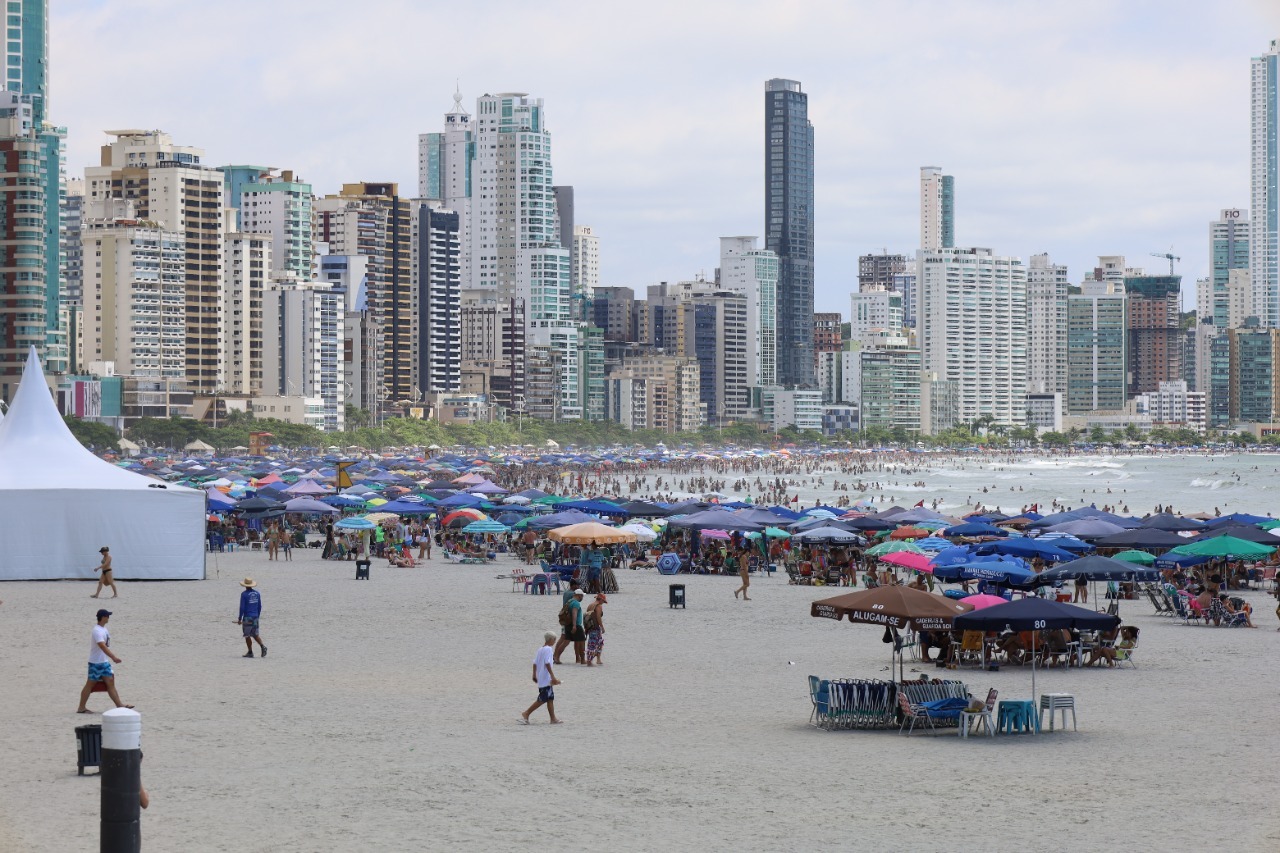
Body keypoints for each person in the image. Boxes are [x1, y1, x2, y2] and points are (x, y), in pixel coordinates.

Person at [77, 609, 132, 713]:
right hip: (95, 663)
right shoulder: (97, 631)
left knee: (110, 682)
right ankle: (81, 708)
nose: (109, 618)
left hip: (104, 662)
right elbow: (102, 646)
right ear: (103, 617)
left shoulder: (103, 629)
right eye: (107, 616)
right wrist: (114, 657)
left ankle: (119, 705)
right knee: (90, 684)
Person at [519, 632, 562, 724]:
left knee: (550, 698)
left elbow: (535, 663)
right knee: (543, 698)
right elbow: (547, 663)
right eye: (554, 640)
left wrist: (534, 674)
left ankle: (553, 718)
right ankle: (526, 713)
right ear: (550, 639)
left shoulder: (540, 649)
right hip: (546, 678)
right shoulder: (549, 649)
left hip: (541, 677)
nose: (554, 642)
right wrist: (553, 677)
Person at [236, 577, 267, 658]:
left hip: (247, 618)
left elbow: (242, 607)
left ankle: (250, 652)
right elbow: (260, 606)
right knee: (255, 634)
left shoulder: (244, 594)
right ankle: (262, 646)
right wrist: (257, 616)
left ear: (245, 585)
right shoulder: (257, 593)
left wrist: (240, 618)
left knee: (247, 635)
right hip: (255, 616)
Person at [585, 593, 607, 666]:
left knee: (600, 643)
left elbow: (586, 616)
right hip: (595, 627)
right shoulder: (598, 606)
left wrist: (586, 628)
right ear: (601, 599)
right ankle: (589, 661)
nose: (603, 603)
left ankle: (598, 659)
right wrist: (602, 627)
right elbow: (598, 617)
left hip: (590, 626)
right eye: (603, 601)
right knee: (592, 643)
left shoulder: (590, 605)